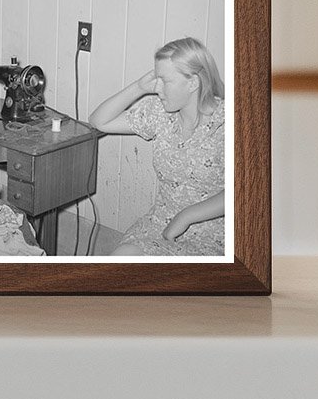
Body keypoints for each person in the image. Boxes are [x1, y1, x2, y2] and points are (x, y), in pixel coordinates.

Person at [89, 37, 225, 256]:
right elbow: (98, 121)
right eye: (156, 80)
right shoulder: (160, 114)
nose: (157, 89)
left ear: (192, 82)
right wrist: (139, 87)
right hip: (160, 224)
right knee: (118, 262)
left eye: (165, 81)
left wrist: (187, 216)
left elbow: (243, 192)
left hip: (215, 234)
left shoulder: (229, 122)